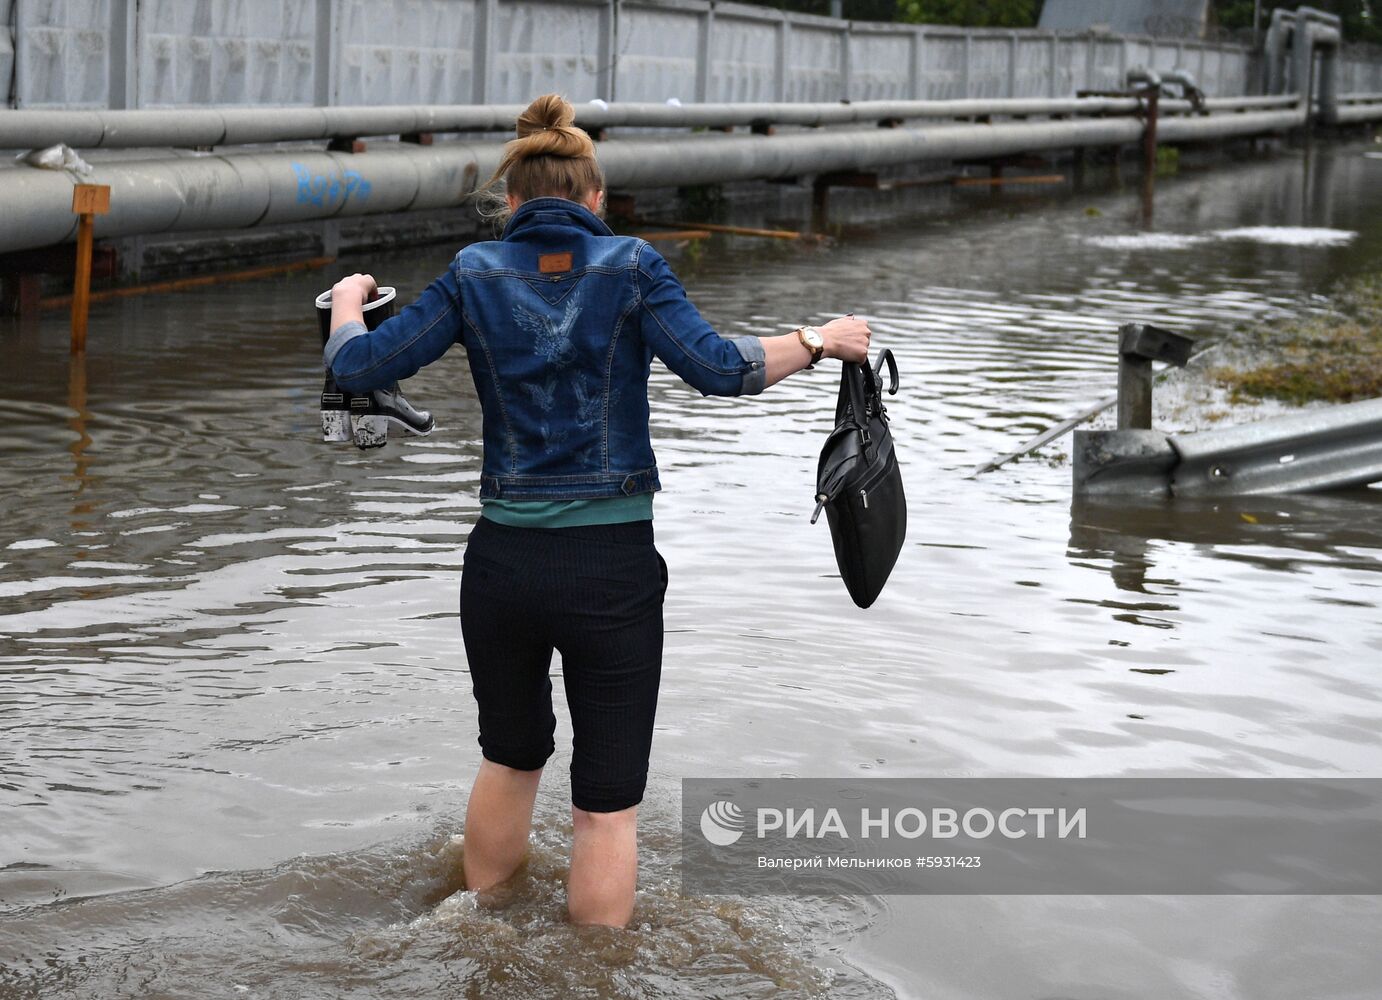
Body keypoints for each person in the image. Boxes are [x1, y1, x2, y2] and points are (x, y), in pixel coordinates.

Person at [322, 93, 871, 927]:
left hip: (500, 567)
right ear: (596, 198)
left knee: (508, 759)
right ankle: (594, 978)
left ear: (511, 202)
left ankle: (477, 941)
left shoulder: (472, 273)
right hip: (610, 571)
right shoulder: (633, 266)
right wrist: (822, 339)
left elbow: (360, 364)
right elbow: (722, 369)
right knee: (605, 807)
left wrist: (352, 298)